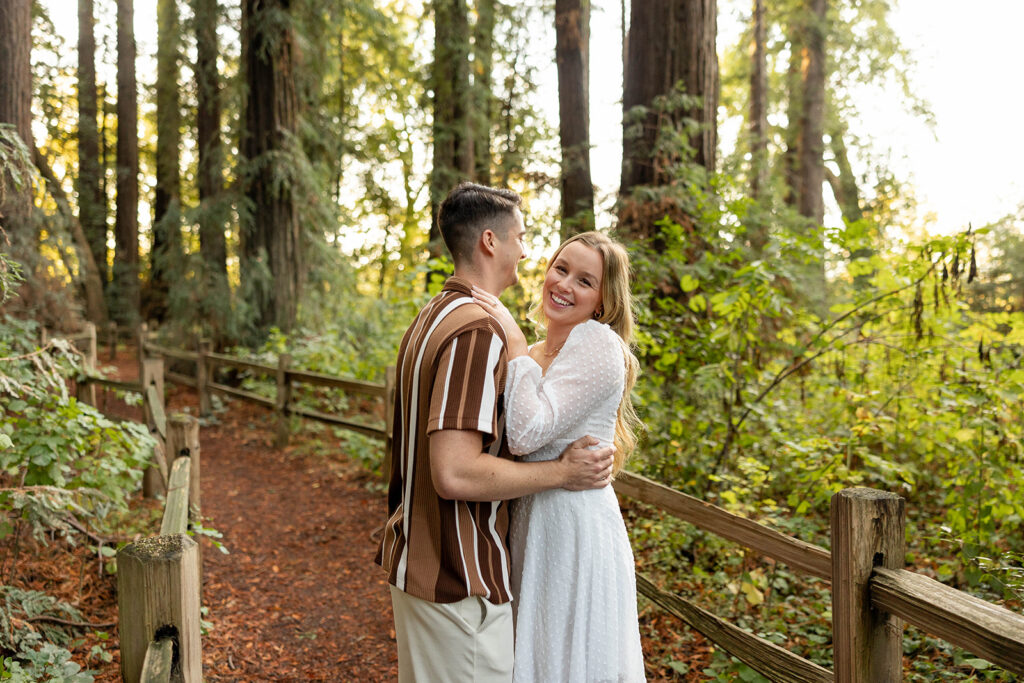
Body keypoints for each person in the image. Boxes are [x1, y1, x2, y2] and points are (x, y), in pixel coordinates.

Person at [375, 184, 616, 683]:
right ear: (490, 241)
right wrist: (562, 472)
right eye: (521, 238)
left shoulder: (432, 316)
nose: (526, 252)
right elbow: (455, 472)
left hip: (426, 560)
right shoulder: (479, 330)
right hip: (456, 573)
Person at [472, 231, 646, 682]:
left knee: (566, 659)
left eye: (585, 281)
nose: (565, 284)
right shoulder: (533, 353)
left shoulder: (598, 344)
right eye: (561, 268)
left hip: (574, 528)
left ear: (603, 302)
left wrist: (511, 338)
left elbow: (527, 433)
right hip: (530, 521)